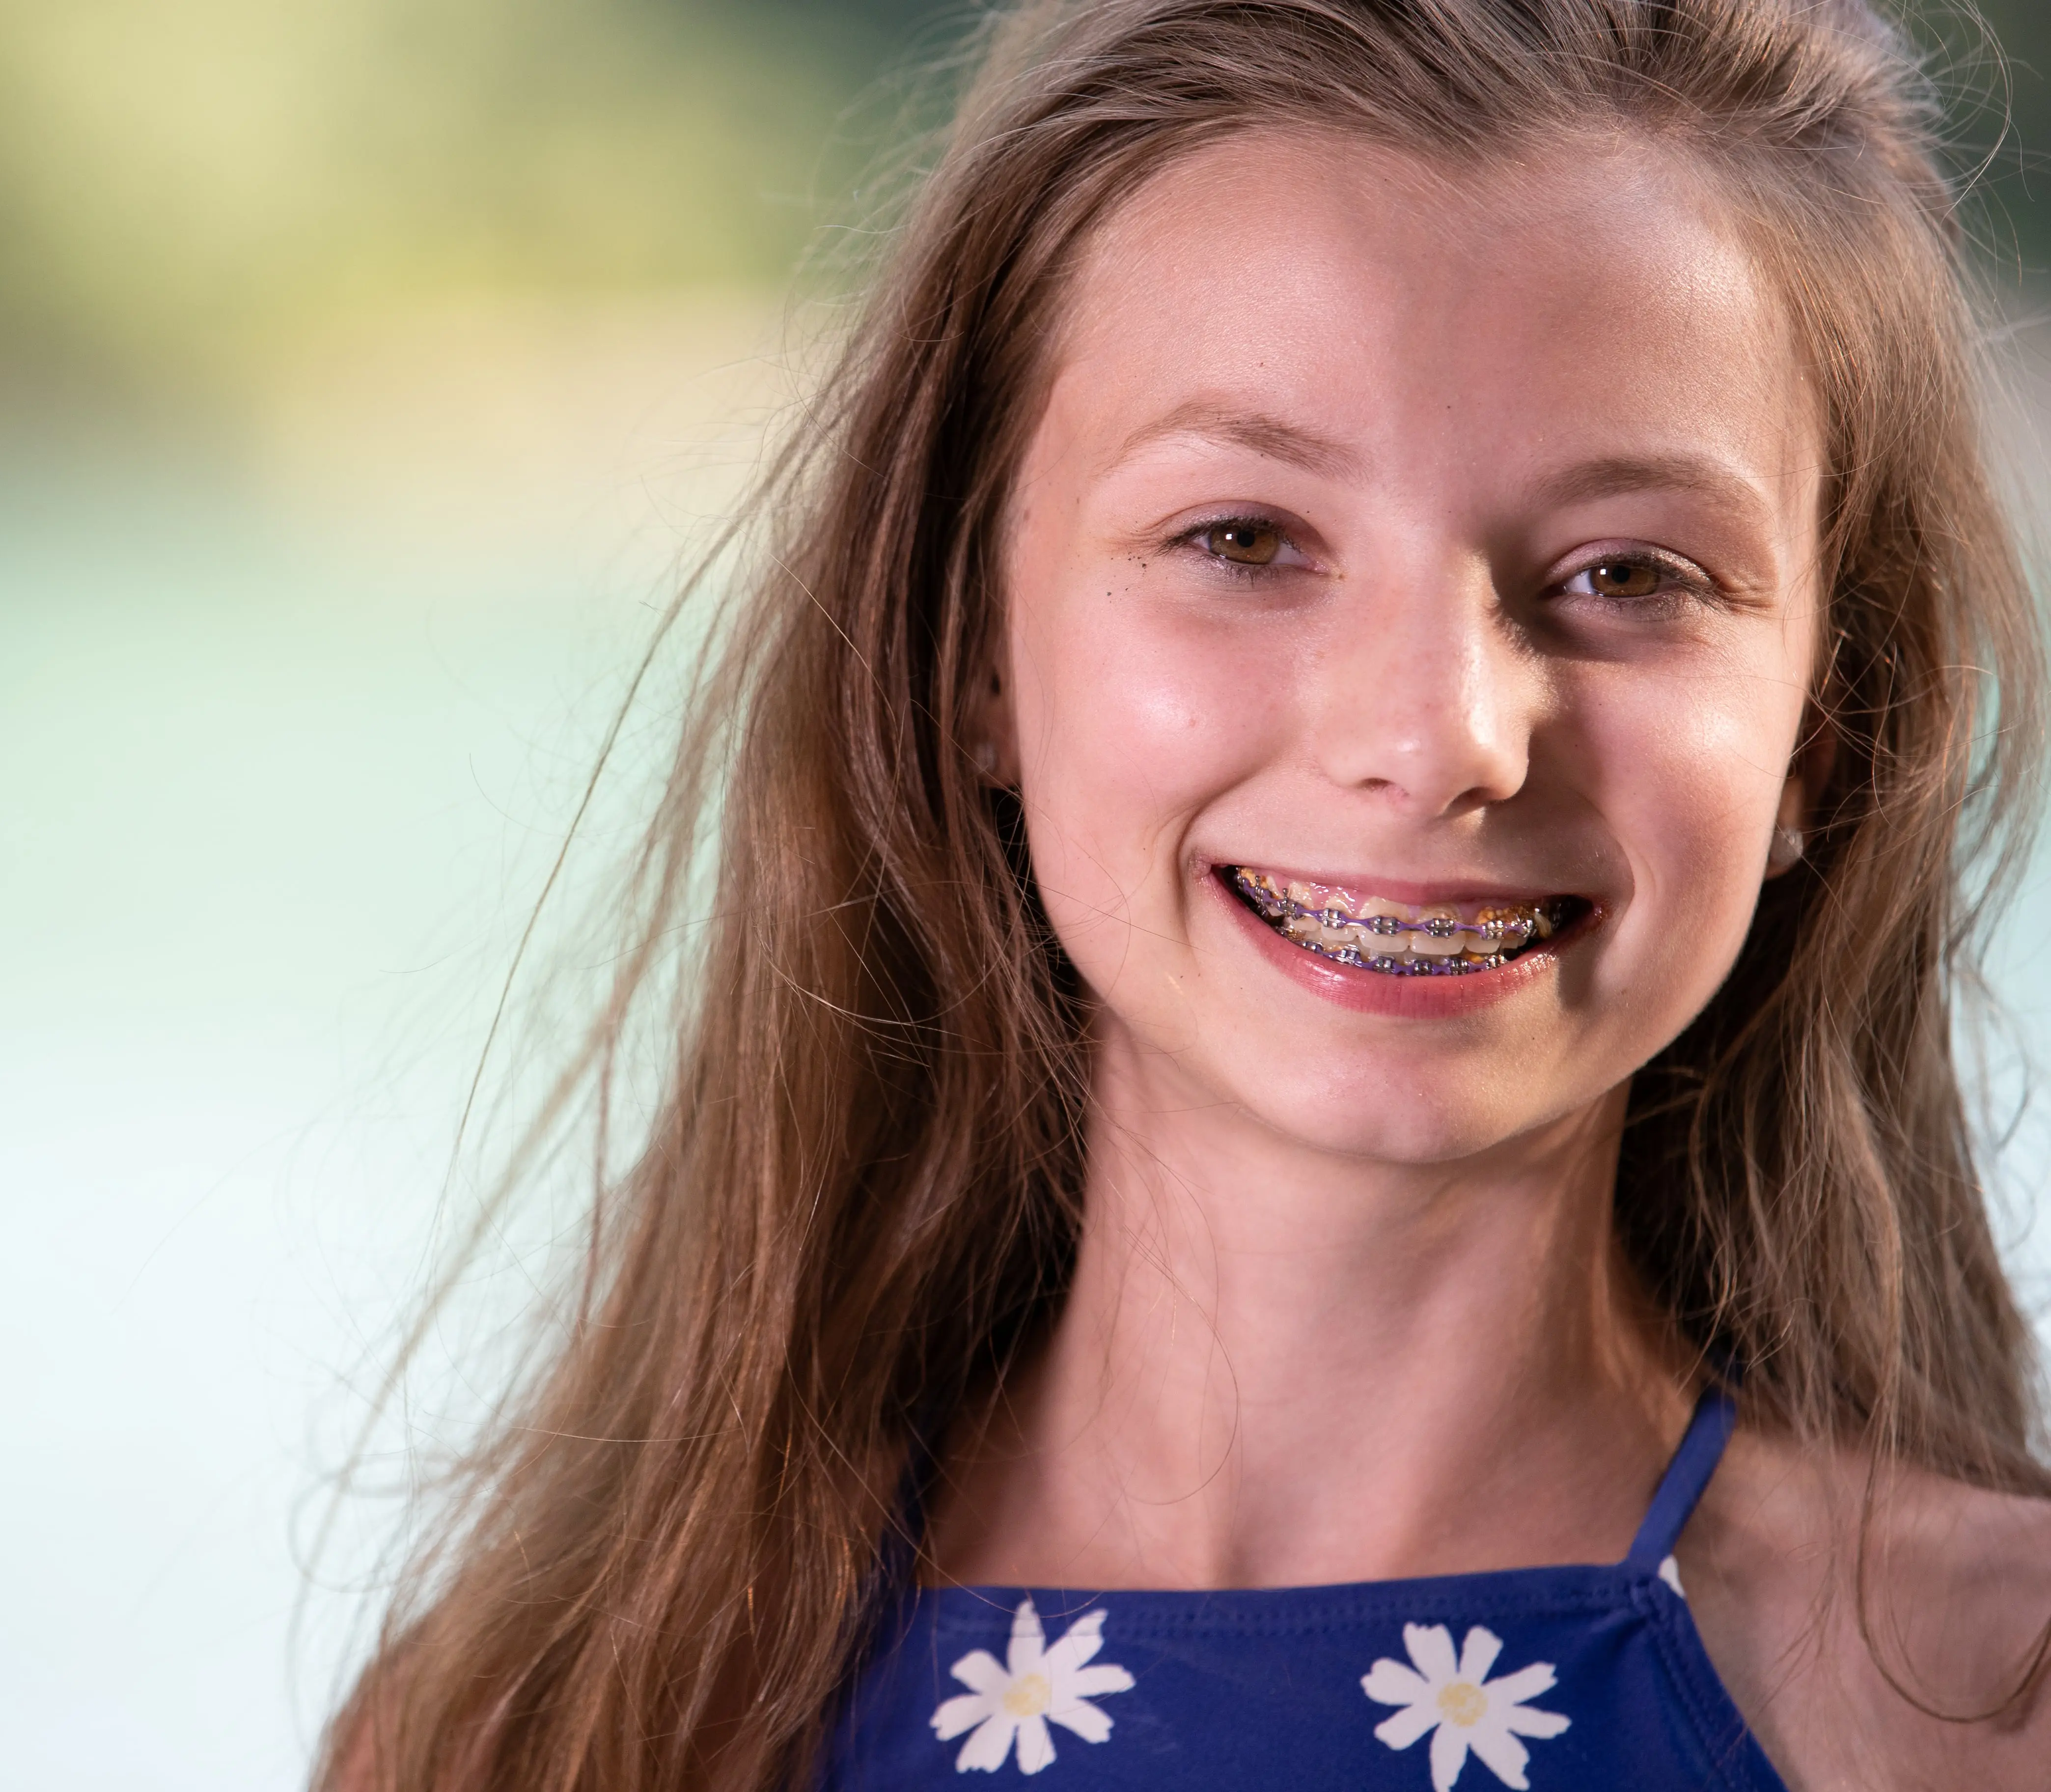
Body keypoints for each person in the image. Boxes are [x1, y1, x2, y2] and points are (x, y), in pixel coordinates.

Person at [322, 1, 2051, 1786]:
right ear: (971, 649)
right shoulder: (526, 1726)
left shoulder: (2005, 1708)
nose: (1438, 735)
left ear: (1827, 733)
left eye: (1629, 572)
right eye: (1241, 540)